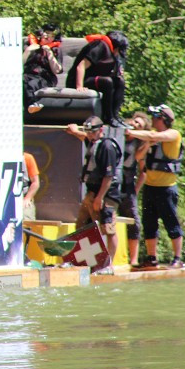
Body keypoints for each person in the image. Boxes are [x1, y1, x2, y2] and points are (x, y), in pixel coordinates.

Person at [127, 104, 184, 269]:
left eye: (155, 117)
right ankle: (152, 258)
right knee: (149, 223)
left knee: (170, 222)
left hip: (166, 188)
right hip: (150, 187)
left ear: (163, 120)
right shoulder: (151, 138)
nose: (152, 120)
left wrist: (131, 132)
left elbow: (157, 136)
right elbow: (139, 157)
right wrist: (146, 144)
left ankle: (177, 258)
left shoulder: (173, 134)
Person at [64, 116, 122, 274]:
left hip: (106, 194)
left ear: (101, 131)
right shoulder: (93, 141)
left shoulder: (107, 147)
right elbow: (85, 137)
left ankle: (109, 265)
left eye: (92, 132)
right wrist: (76, 131)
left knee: (108, 228)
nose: (89, 135)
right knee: (81, 224)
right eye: (87, 132)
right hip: (92, 191)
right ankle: (78, 260)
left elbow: (108, 176)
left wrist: (99, 198)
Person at [65, 30, 129, 126]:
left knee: (120, 82)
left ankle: (116, 116)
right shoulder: (100, 45)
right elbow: (81, 66)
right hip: (78, 81)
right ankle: (108, 117)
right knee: (107, 82)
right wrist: (79, 86)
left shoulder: (112, 53)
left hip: (94, 80)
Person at [121, 111, 151, 266]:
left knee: (133, 220)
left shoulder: (139, 145)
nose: (134, 124)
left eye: (138, 124)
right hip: (111, 182)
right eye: (134, 121)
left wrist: (136, 190)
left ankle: (133, 260)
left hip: (127, 185)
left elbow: (143, 172)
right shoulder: (118, 133)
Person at [23, 24, 63, 112]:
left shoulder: (55, 49)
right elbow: (19, 65)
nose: (46, 36)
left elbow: (57, 70)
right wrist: (27, 51)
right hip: (28, 74)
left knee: (32, 84)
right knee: (21, 80)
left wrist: (49, 53)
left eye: (51, 35)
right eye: (45, 33)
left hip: (45, 77)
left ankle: (32, 104)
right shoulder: (29, 45)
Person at [22, 151, 40, 221]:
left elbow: (35, 182)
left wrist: (27, 198)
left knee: (27, 220)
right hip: (7, 200)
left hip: (24, 197)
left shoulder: (27, 158)